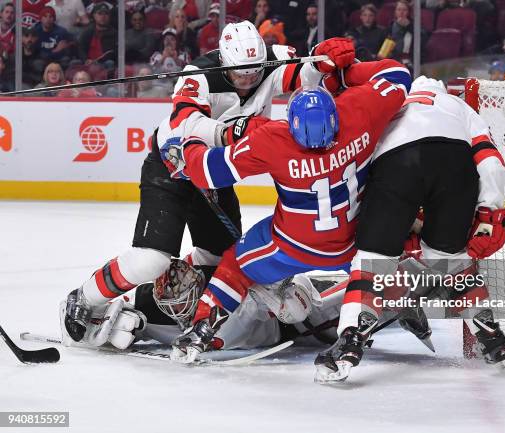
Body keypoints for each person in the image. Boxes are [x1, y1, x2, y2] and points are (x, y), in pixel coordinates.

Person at [60, 22, 354, 346]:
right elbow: (185, 125)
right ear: (225, 63)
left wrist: (323, 59)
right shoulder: (197, 76)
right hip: (174, 167)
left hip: (215, 172)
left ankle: (154, 303)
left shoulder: (272, 60)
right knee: (152, 259)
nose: (248, 81)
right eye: (240, 74)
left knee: (222, 261)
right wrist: (235, 131)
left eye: (254, 74)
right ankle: (83, 299)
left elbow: (306, 76)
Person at [159, 59, 411, 363]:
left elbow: (206, 173)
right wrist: (343, 75)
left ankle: (201, 328)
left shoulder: (274, 139)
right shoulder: (357, 112)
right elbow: (398, 74)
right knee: (393, 259)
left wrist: (187, 147)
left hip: (292, 245)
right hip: (353, 242)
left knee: (236, 264)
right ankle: (430, 300)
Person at [313, 75, 505, 382]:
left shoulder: (391, 103)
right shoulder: (457, 106)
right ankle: (492, 336)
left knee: (371, 261)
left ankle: (350, 341)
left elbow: (358, 164)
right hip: (455, 164)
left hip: (397, 162)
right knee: (451, 258)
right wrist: (489, 211)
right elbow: (492, 163)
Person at [60, 258, 345, 351]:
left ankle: (382, 265)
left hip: (290, 326)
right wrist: (105, 327)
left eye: (183, 299)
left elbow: (267, 289)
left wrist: (277, 290)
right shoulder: (149, 301)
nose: (177, 310)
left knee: (312, 308)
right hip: (267, 328)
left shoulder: (222, 287)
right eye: (169, 302)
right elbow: (115, 310)